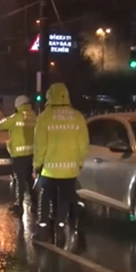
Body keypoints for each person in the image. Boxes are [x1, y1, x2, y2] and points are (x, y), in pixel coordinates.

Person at [33, 83, 89, 243]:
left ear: (50, 96)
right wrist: (78, 163)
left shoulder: (45, 116)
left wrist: (37, 165)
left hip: (49, 169)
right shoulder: (78, 116)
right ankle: (60, 225)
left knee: (45, 198)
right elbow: (84, 145)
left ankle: (43, 229)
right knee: (64, 199)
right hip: (70, 170)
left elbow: (40, 145)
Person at [0, 95, 37, 216]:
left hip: (18, 155)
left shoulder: (16, 118)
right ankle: (35, 204)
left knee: (19, 181)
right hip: (31, 154)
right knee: (29, 180)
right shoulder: (34, 117)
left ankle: (19, 205)